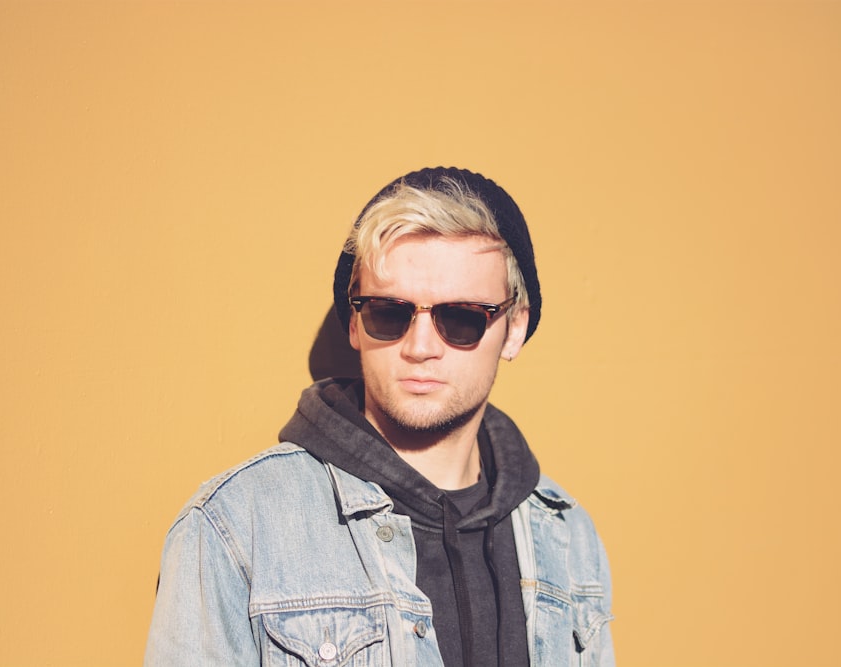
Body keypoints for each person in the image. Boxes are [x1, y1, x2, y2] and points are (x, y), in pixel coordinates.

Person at [144, 167, 615, 666]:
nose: (419, 347)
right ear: (354, 321)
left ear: (514, 328)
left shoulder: (568, 537)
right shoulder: (236, 527)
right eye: (389, 312)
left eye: (460, 317)